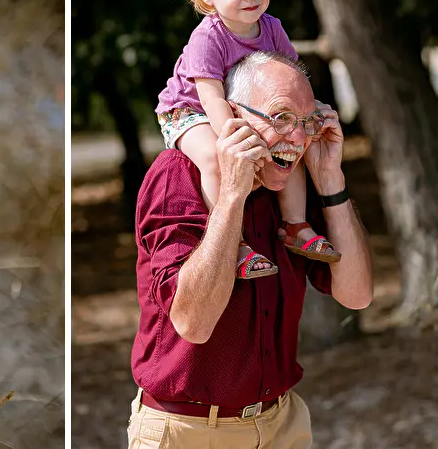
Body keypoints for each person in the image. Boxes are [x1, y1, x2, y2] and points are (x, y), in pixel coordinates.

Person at [128, 51, 374, 448]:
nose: (297, 138)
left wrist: (330, 179)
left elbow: (358, 294)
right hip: (189, 432)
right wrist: (232, 195)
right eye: (280, 118)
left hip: (282, 424)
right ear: (233, 117)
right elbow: (194, 322)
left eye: (307, 122)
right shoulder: (179, 174)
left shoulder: (294, 188)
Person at [155, 0, 339, 280]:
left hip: (243, 109)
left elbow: (292, 78)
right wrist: (235, 139)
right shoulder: (208, 37)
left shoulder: (271, 28)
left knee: (292, 146)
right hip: (190, 111)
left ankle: (296, 225)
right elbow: (211, 98)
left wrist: (306, 114)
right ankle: (231, 241)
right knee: (215, 159)